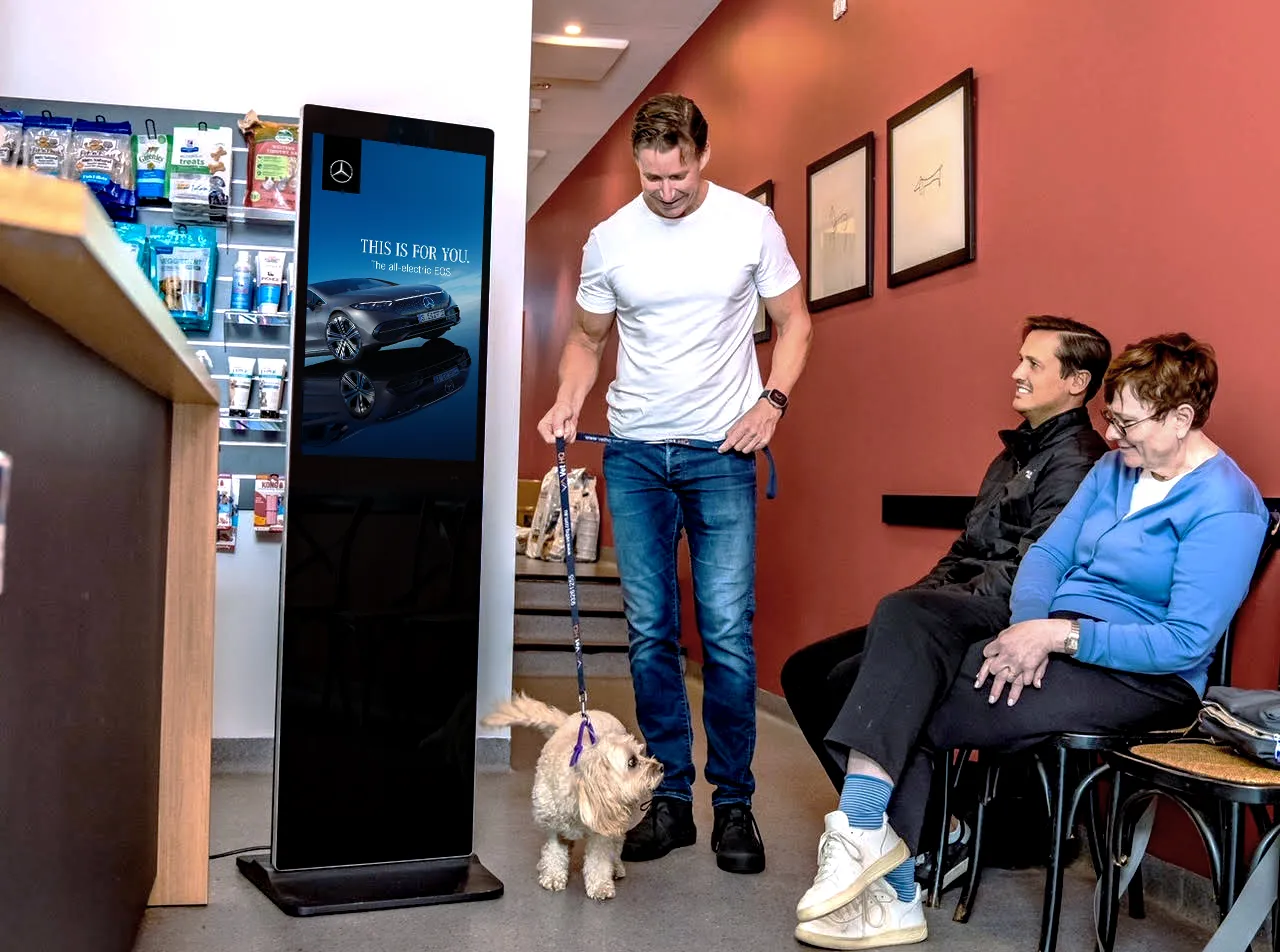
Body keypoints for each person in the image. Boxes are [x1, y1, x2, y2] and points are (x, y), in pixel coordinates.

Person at [792, 333, 1269, 950]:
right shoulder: (1114, 469)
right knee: (906, 616)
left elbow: (1181, 641)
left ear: (1182, 418)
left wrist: (1060, 636)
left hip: (1141, 676)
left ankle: (892, 883)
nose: (1115, 436)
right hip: (1047, 633)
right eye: (1110, 417)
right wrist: (1027, 628)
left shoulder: (1228, 504)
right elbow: (1046, 555)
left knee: (901, 692)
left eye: (1126, 421)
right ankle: (868, 841)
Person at [536, 92, 814, 875]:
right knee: (652, 635)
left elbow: (795, 321)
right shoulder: (609, 239)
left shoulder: (748, 224)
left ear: (703, 155)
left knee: (726, 637)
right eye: (652, 176)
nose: (666, 190)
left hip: (721, 452)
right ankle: (666, 804)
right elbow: (588, 340)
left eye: (679, 174)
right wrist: (567, 398)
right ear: (639, 164)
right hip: (633, 454)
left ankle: (734, 808)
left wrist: (773, 402)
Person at [781, 315, 1111, 828]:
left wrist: (932, 607)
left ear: (1076, 382)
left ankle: (915, 833)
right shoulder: (1014, 453)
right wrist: (920, 599)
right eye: (1019, 358)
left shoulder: (1080, 459)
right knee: (804, 671)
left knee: (849, 676)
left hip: (1008, 612)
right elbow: (965, 548)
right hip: (959, 606)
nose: (1015, 372)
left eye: (1033, 363)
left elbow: (1035, 569)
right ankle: (921, 824)